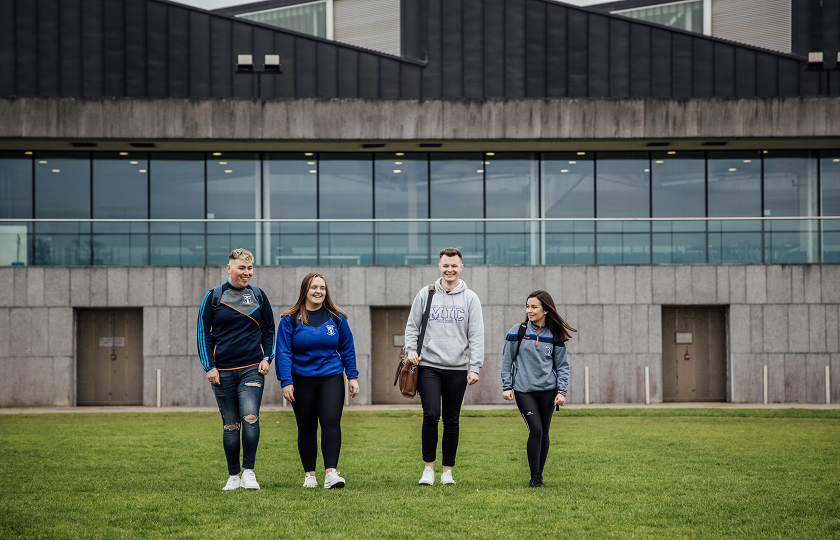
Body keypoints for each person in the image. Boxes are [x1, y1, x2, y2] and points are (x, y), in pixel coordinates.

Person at [405, 247, 484, 486]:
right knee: (431, 415)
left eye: (454, 265)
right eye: (445, 265)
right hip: (428, 365)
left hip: (458, 368)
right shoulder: (425, 294)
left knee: (452, 419)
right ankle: (428, 468)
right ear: (439, 267)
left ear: (461, 267)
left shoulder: (470, 298)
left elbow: (476, 335)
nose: (450, 269)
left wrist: (475, 366)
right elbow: (412, 327)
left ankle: (447, 471)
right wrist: (411, 350)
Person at [197, 248, 275, 491]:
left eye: (250, 268)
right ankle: (233, 476)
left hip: (252, 369)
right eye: (242, 268)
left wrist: (267, 358)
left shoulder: (259, 296)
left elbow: (269, 330)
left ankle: (249, 473)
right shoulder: (213, 297)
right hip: (222, 373)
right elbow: (203, 334)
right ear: (229, 268)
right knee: (231, 424)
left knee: (250, 417)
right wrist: (209, 366)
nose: (247, 273)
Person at [275, 272, 359, 489]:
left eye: (322, 288)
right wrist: (286, 381)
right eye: (314, 287)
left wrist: (353, 376)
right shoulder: (289, 320)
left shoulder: (336, 318)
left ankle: (331, 473)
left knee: (331, 423)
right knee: (306, 427)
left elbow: (347, 349)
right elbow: (283, 352)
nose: (318, 291)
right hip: (300, 380)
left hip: (330, 377)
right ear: (305, 290)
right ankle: (310, 476)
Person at [501, 290, 576, 488]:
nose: (529, 310)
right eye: (527, 306)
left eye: (534, 307)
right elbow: (506, 360)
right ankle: (535, 477)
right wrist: (507, 386)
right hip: (524, 390)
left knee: (544, 432)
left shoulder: (555, 335)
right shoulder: (518, 330)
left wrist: (562, 391)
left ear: (545, 310)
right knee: (535, 429)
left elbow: (562, 366)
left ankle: (538, 477)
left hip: (548, 391)